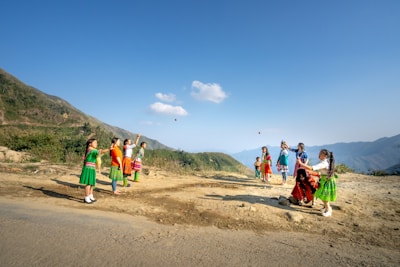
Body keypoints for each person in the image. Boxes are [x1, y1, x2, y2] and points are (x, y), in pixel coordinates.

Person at [297, 149, 337, 217]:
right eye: (319, 153)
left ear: (325, 156)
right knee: (321, 194)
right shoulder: (324, 161)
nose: (319, 155)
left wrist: (301, 163)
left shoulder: (324, 163)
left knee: (323, 195)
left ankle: (328, 210)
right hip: (325, 180)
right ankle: (326, 207)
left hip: (327, 181)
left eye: (321, 154)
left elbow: (312, 168)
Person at [79, 138, 107, 204]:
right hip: (88, 168)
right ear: (90, 144)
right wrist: (108, 149)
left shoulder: (92, 150)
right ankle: (86, 197)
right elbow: (100, 152)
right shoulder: (91, 149)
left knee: (91, 183)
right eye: (95, 143)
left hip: (91, 168)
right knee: (88, 183)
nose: (96, 144)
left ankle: (90, 196)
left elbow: (98, 154)